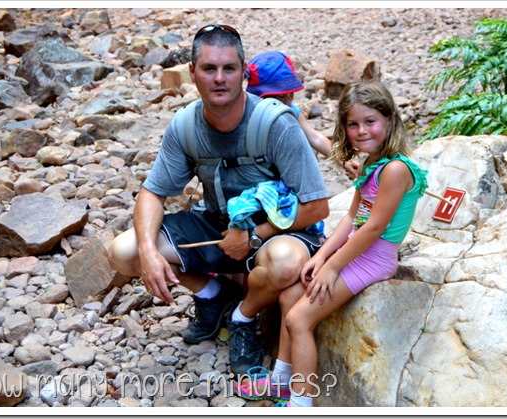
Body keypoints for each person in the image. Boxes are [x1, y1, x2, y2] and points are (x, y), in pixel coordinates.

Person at [107, 24, 330, 375]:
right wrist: (150, 252)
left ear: (243, 73)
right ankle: (213, 295)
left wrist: (255, 235)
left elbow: (317, 206)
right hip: (216, 225)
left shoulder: (276, 125)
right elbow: (152, 192)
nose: (220, 78)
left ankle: (243, 317)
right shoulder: (184, 128)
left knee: (286, 263)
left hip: (276, 231)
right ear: (192, 74)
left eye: (229, 69)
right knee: (125, 251)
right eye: (209, 69)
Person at [233, 80, 428, 406]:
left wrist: (332, 267)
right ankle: (281, 379)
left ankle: (301, 402)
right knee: (290, 294)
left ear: (389, 120)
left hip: (374, 257)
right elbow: (351, 218)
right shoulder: (370, 162)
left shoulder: (394, 170)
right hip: (353, 249)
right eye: (353, 124)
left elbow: (373, 228)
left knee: (299, 319)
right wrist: (320, 257)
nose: (361, 131)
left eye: (370, 121)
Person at [246, 51, 360, 179]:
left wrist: (342, 160)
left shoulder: (290, 110)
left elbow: (314, 137)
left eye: (290, 94)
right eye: (280, 97)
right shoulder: (249, 113)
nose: (287, 100)